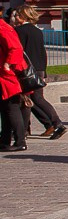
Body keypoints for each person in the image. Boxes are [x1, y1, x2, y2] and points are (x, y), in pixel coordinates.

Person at [12, 5, 67, 140]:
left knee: (27, 100)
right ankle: (50, 124)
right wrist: (44, 71)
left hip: (27, 70)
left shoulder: (19, 31)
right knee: (35, 99)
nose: (15, 18)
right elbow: (42, 52)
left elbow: (19, 51)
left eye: (17, 15)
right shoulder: (37, 31)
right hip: (39, 69)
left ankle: (54, 124)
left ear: (23, 16)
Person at [0, 16, 26, 152]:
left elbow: (15, 48)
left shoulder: (3, 29)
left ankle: (20, 141)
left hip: (7, 76)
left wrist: (7, 64)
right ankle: (5, 140)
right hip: (4, 75)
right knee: (5, 109)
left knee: (11, 108)